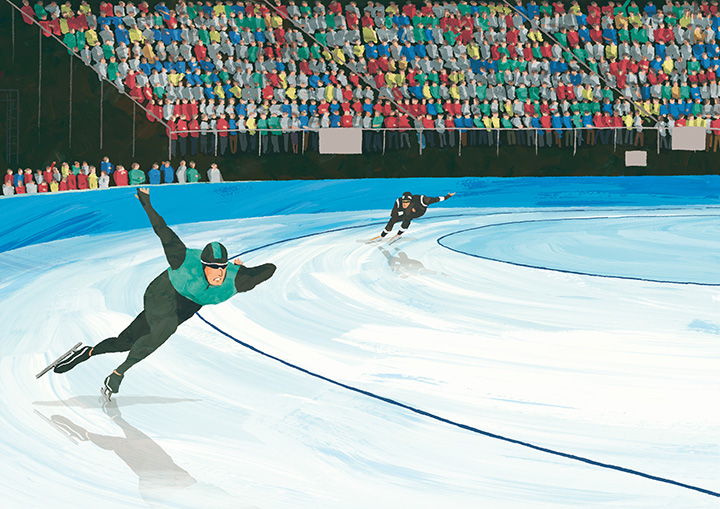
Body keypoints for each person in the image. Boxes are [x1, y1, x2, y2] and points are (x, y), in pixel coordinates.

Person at [52, 188, 277, 399]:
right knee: (164, 329)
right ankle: (118, 373)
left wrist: (243, 270)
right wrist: (146, 203)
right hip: (163, 292)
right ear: (202, 265)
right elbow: (162, 230)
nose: (218, 273)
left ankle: (86, 353)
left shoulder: (237, 279)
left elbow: (270, 269)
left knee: (125, 342)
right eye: (212, 267)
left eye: (221, 267)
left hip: (186, 308)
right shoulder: (183, 258)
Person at [378, 191, 456, 238]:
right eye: (404, 201)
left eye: (407, 202)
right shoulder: (398, 201)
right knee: (393, 219)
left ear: (411, 201)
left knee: (407, 217)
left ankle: (399, 234)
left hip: (419, 212)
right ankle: (383, 234)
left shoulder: (423, 199)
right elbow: (393, 214)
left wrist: (448, 196)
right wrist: (402, 212)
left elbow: (436, 199)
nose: (405, 203)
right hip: (406, 212)